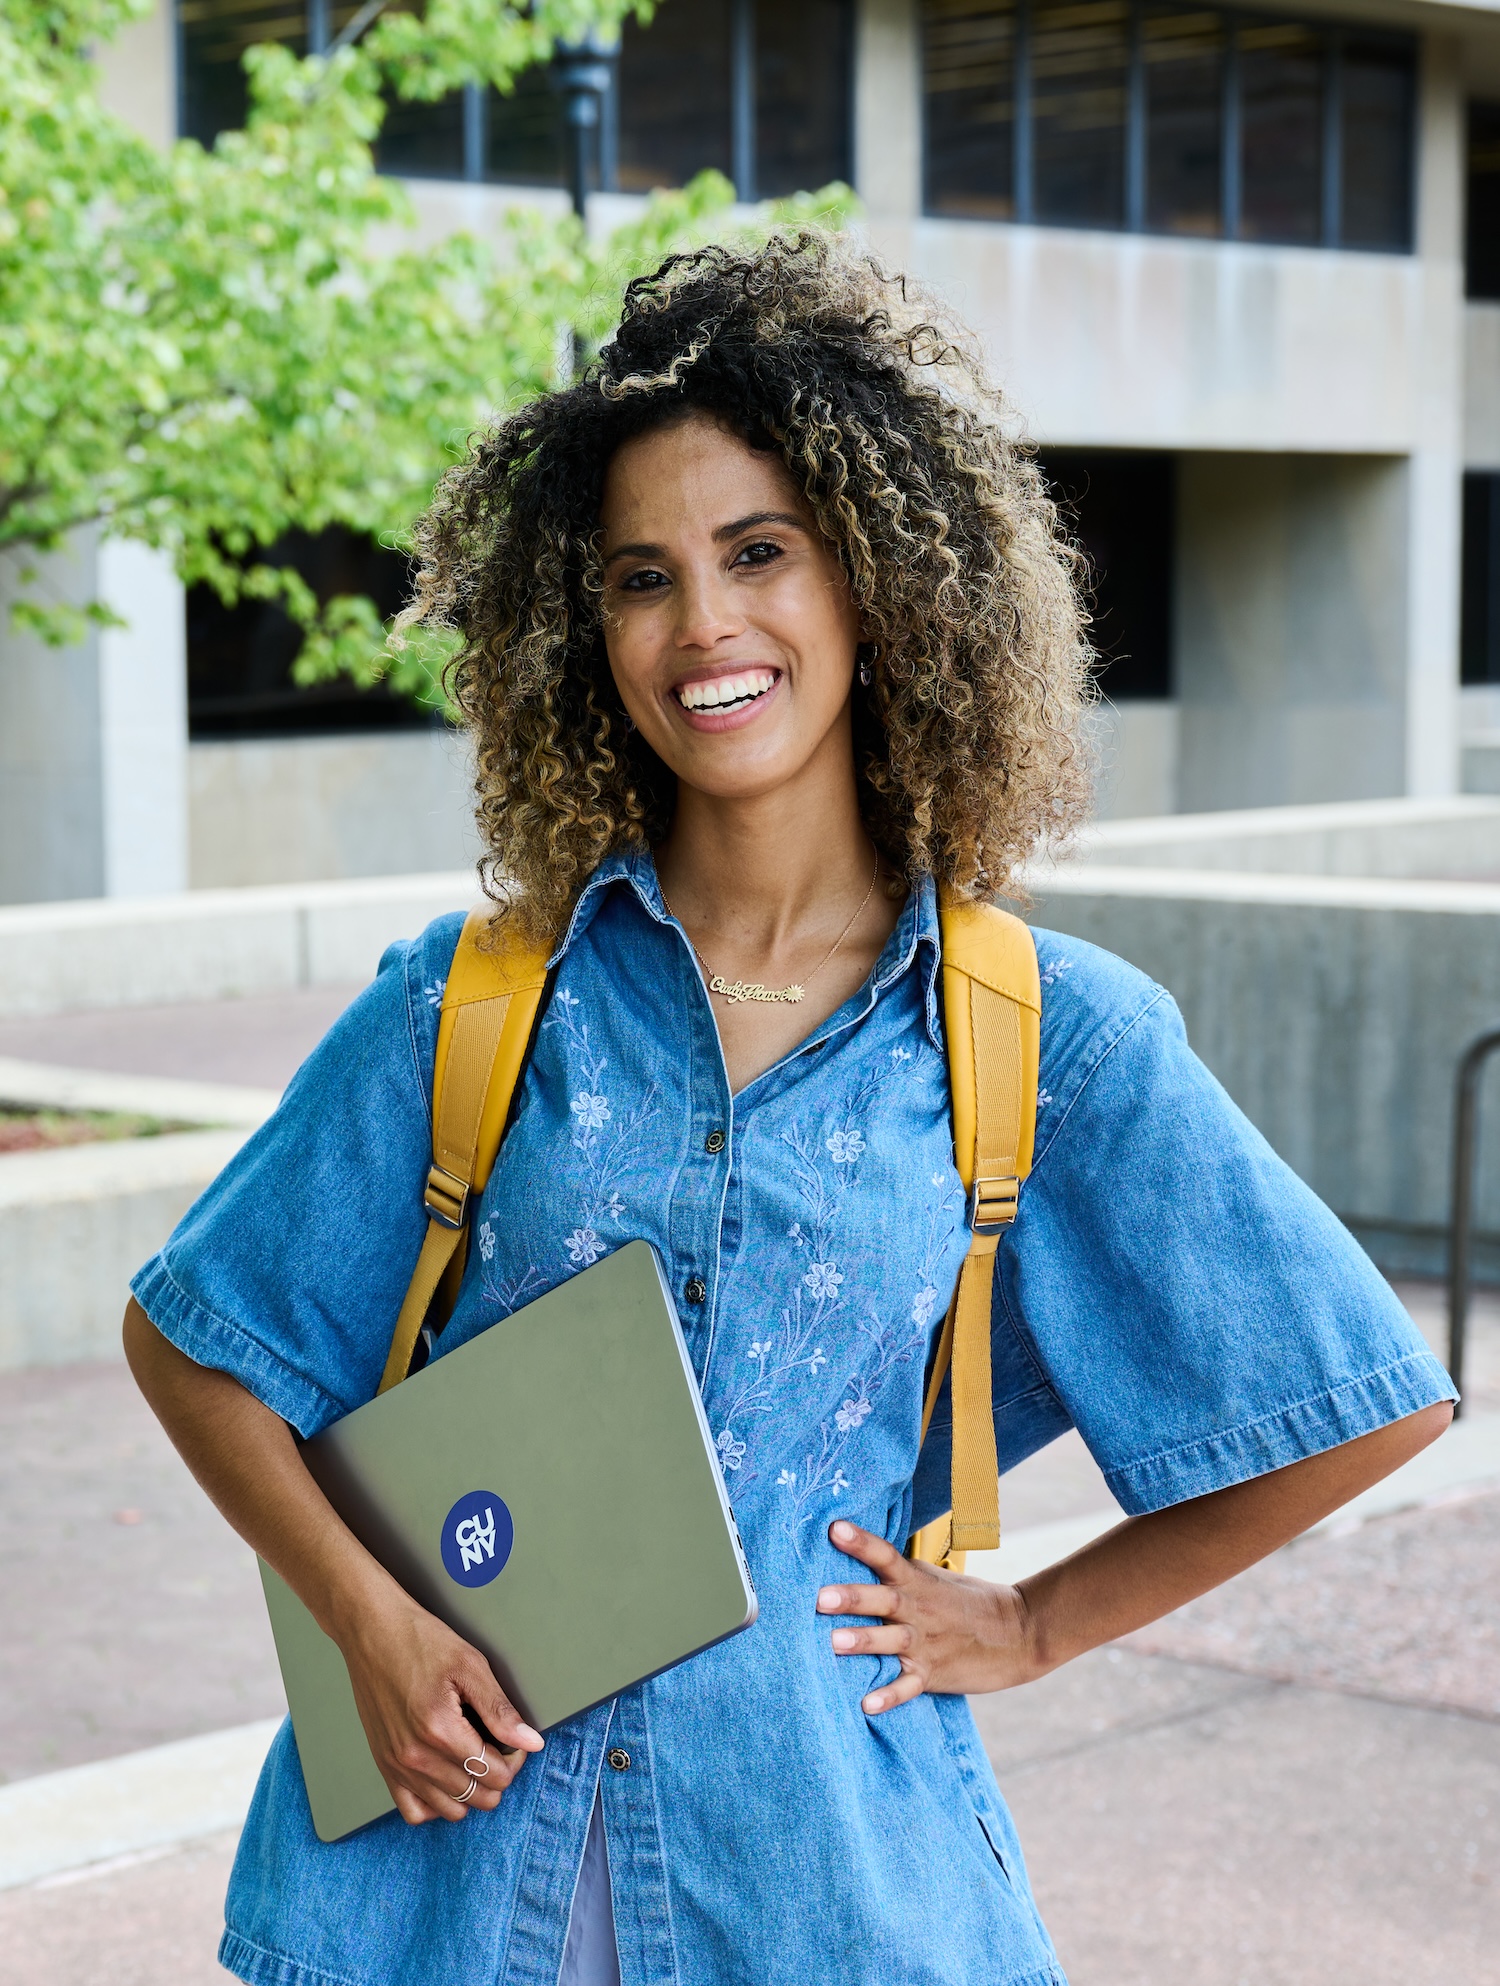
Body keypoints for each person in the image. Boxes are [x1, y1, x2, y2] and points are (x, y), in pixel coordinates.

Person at [124, 233, 1454, 1986]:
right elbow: (196, 1339)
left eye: (760, 554)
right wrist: (366, 1620)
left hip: (823, 1890)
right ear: (581, 627)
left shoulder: (1045, 1039)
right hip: (437, 1895)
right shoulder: (475, 999)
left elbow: (1357, 1402)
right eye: (640, 578)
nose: (704, 627)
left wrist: (1037, 1619)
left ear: (881, 583)